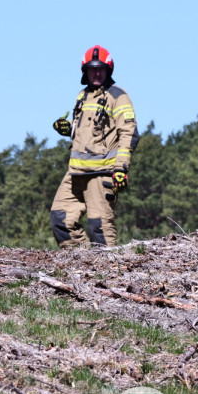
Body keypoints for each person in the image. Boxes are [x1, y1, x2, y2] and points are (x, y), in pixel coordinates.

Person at [50, 45, 139, 246]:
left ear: (109, 70)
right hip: (76, 172)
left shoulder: (118, 96)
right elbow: (87, 132)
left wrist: (121, 168)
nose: (97, 73)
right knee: (60, 219)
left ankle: (106, 273)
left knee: (99, 227)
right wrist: (68, 129)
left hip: (103, 172)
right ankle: (80, 266)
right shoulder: (82, 96)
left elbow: (129, 133)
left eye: (101, 69)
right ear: (85, 71)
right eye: (92, 69)